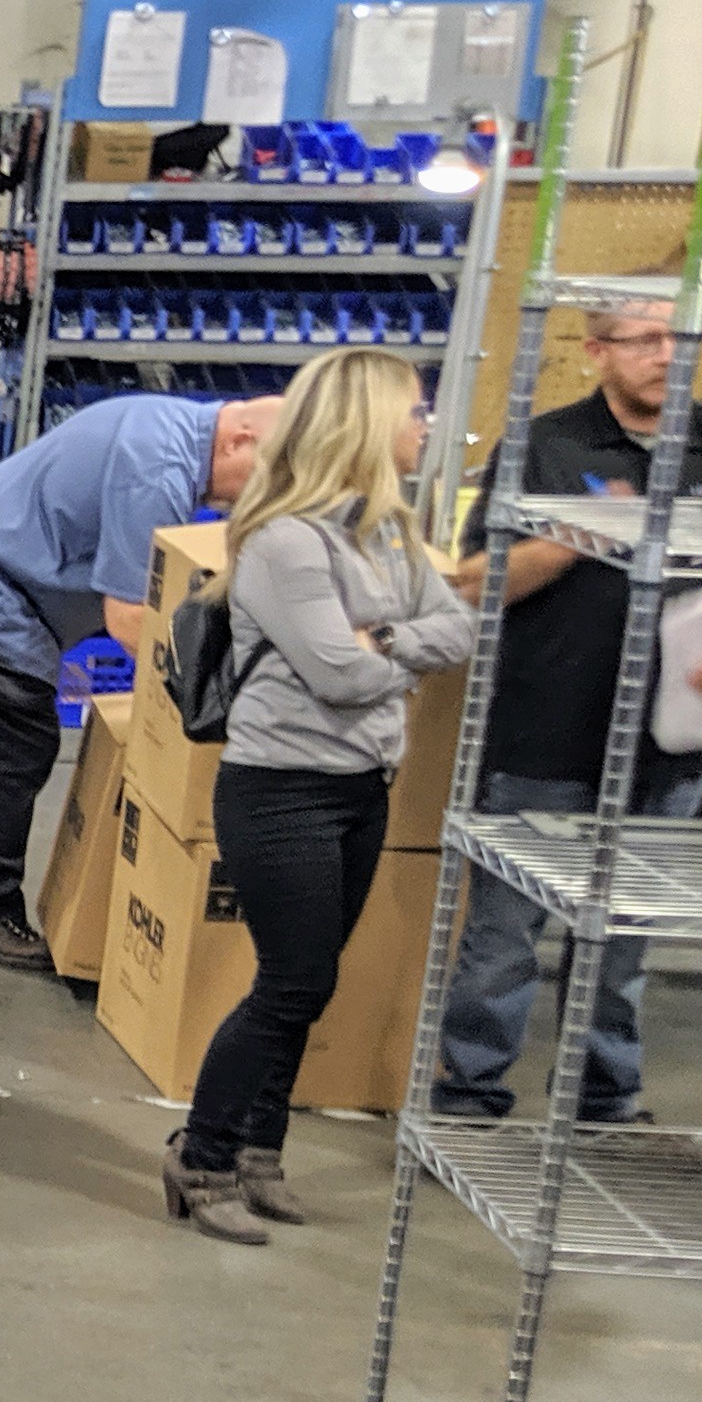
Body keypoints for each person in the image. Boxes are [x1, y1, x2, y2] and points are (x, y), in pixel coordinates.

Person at [163, 351, 472, 1243]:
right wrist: (395, 648)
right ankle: (201, 1156)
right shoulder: (287, 541)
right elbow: (338, 674)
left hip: (362, 787)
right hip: (281, 791)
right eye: (413, 413)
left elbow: (459, 628)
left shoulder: (389, 531)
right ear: (364, 424)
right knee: (293, 982)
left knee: (313, 980)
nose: (426, 429)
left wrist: (385, 640)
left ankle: (260, 1152)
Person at [0, 389, 280, 968]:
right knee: (12, 745)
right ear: (239, 441)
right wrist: (203, 696)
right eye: (264, 479)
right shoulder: (157, 470)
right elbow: (129, 618)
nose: (255, 498)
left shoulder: (169, 423)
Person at [438, 297, 702, 1129]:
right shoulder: (542, 446)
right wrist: (580, 535)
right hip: (544, 733)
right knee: (504, 936)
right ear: (596, 350)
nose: (667, 355)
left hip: (670, 748)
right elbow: (475, 584)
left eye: (683, 338)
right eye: (645, 340)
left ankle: (605, 1098)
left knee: (624, 939)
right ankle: (470, 1096)